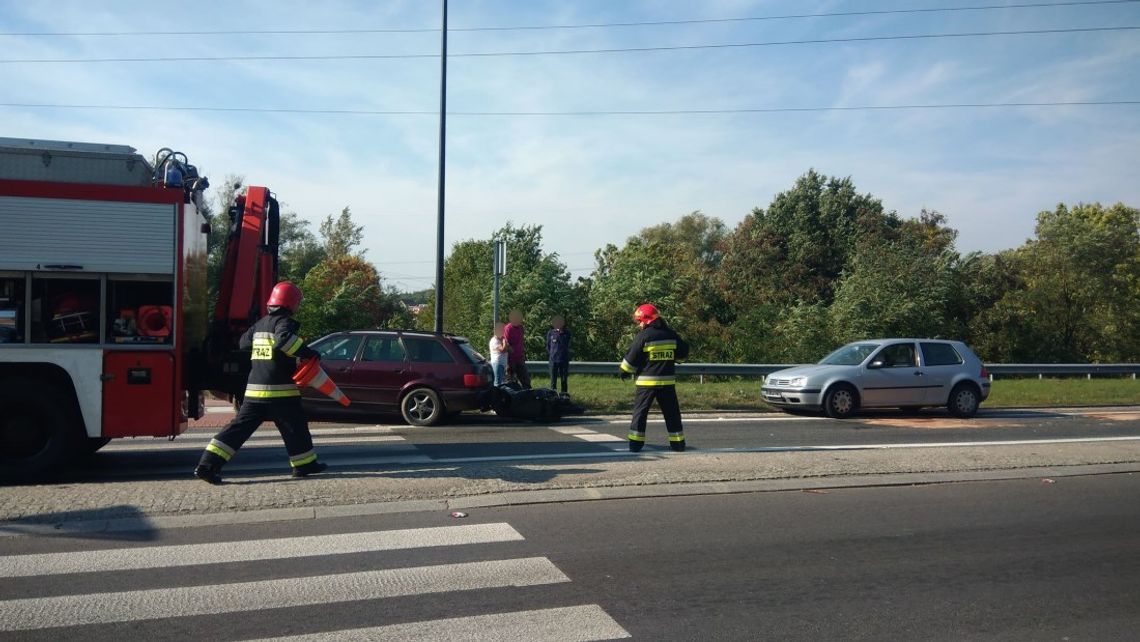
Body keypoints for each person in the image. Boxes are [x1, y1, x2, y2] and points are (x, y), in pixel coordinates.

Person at [194, 281, 327, 484]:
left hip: (255, 392)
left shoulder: (260, 324)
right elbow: (284, 340)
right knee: (296, 427)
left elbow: (243, 343)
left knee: (237, 430)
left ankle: (207, 465)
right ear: (291, 303)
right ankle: (303, 465)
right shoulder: (284, 322)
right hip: (281, 392)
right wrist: (309, 353)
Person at [619, 303, 690, 453]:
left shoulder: (643, 336)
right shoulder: (671, 334)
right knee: (672, 414)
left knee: (640, 414)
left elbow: (630, 360)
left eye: (640, 321)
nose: (639, 324)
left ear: (646, 320)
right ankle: (678, 444)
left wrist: (623, 372)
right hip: (668, 382)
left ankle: (635, 445)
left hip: (646, 383)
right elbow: (683, 354)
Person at [504, 309, 531, 388]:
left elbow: (521, 341)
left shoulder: (521, 328)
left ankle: (528, 395)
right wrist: (510, 352)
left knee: (525, 379)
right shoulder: (508, 328)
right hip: (511, 359)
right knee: (511, 381)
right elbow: (506, 342)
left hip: (520, 358)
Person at [546, 315, 571, 394]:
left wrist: (561, 332)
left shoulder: (567, 333)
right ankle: (553, 396)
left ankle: (564, 395)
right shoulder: (550, 333)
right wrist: (552, 354)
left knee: (564, 380)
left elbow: (567, 344)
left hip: (563, 359)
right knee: (553, 380)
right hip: (553, 360)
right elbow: (548, 346)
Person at [489, 322, 509, 386]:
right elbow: (503, 350)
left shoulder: (500, 340)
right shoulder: (494, 341)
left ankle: (500, 395)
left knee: (502, 383)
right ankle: (496, 395)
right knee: (497, 383)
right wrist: (504, 340)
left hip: (503, 364)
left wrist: (505, 345)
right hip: (498, 364)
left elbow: (511, 350)